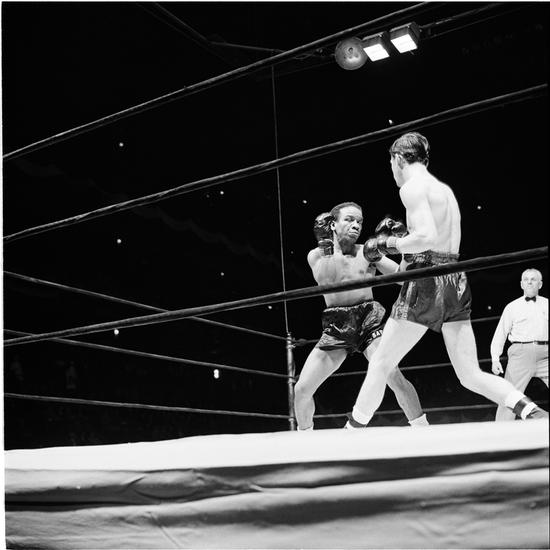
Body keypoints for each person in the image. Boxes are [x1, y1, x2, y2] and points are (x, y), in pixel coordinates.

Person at [346, 132, 548, 428]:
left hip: (428, 277)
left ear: (399, 159)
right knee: (469, 374)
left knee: (380, 363)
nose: (391, 170)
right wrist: (404, 244)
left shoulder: (412, 188)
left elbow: (426, 237)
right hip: (455, 277)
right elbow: (430, 247)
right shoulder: (444, 191)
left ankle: (351, 431)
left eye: (390, 163)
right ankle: (532, 411)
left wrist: (389, 243)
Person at [293, 201, 428, 430]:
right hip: (336, 325)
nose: (356, 225)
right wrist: (325, 240)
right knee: (302, 389)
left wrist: (405, 248)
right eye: (349, 219)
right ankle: (305, 439)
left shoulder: (367, 251)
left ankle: (423, 429)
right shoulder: (315, 256)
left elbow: (402, 278)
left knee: (393, 375)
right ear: (332, 224)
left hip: (368, 320)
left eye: (360, 221)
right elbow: (328, 270)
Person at [491, 268, 548, 421]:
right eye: (526, 279)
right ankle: (502, 432)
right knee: (510, 395)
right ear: (521, 284)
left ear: (540, 284)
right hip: (521, 353)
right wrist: (495, 358)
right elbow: (501, 333)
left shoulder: (547, 304)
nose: (529, 282)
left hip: (546, 354)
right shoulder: (512, 307)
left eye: (533, 279)